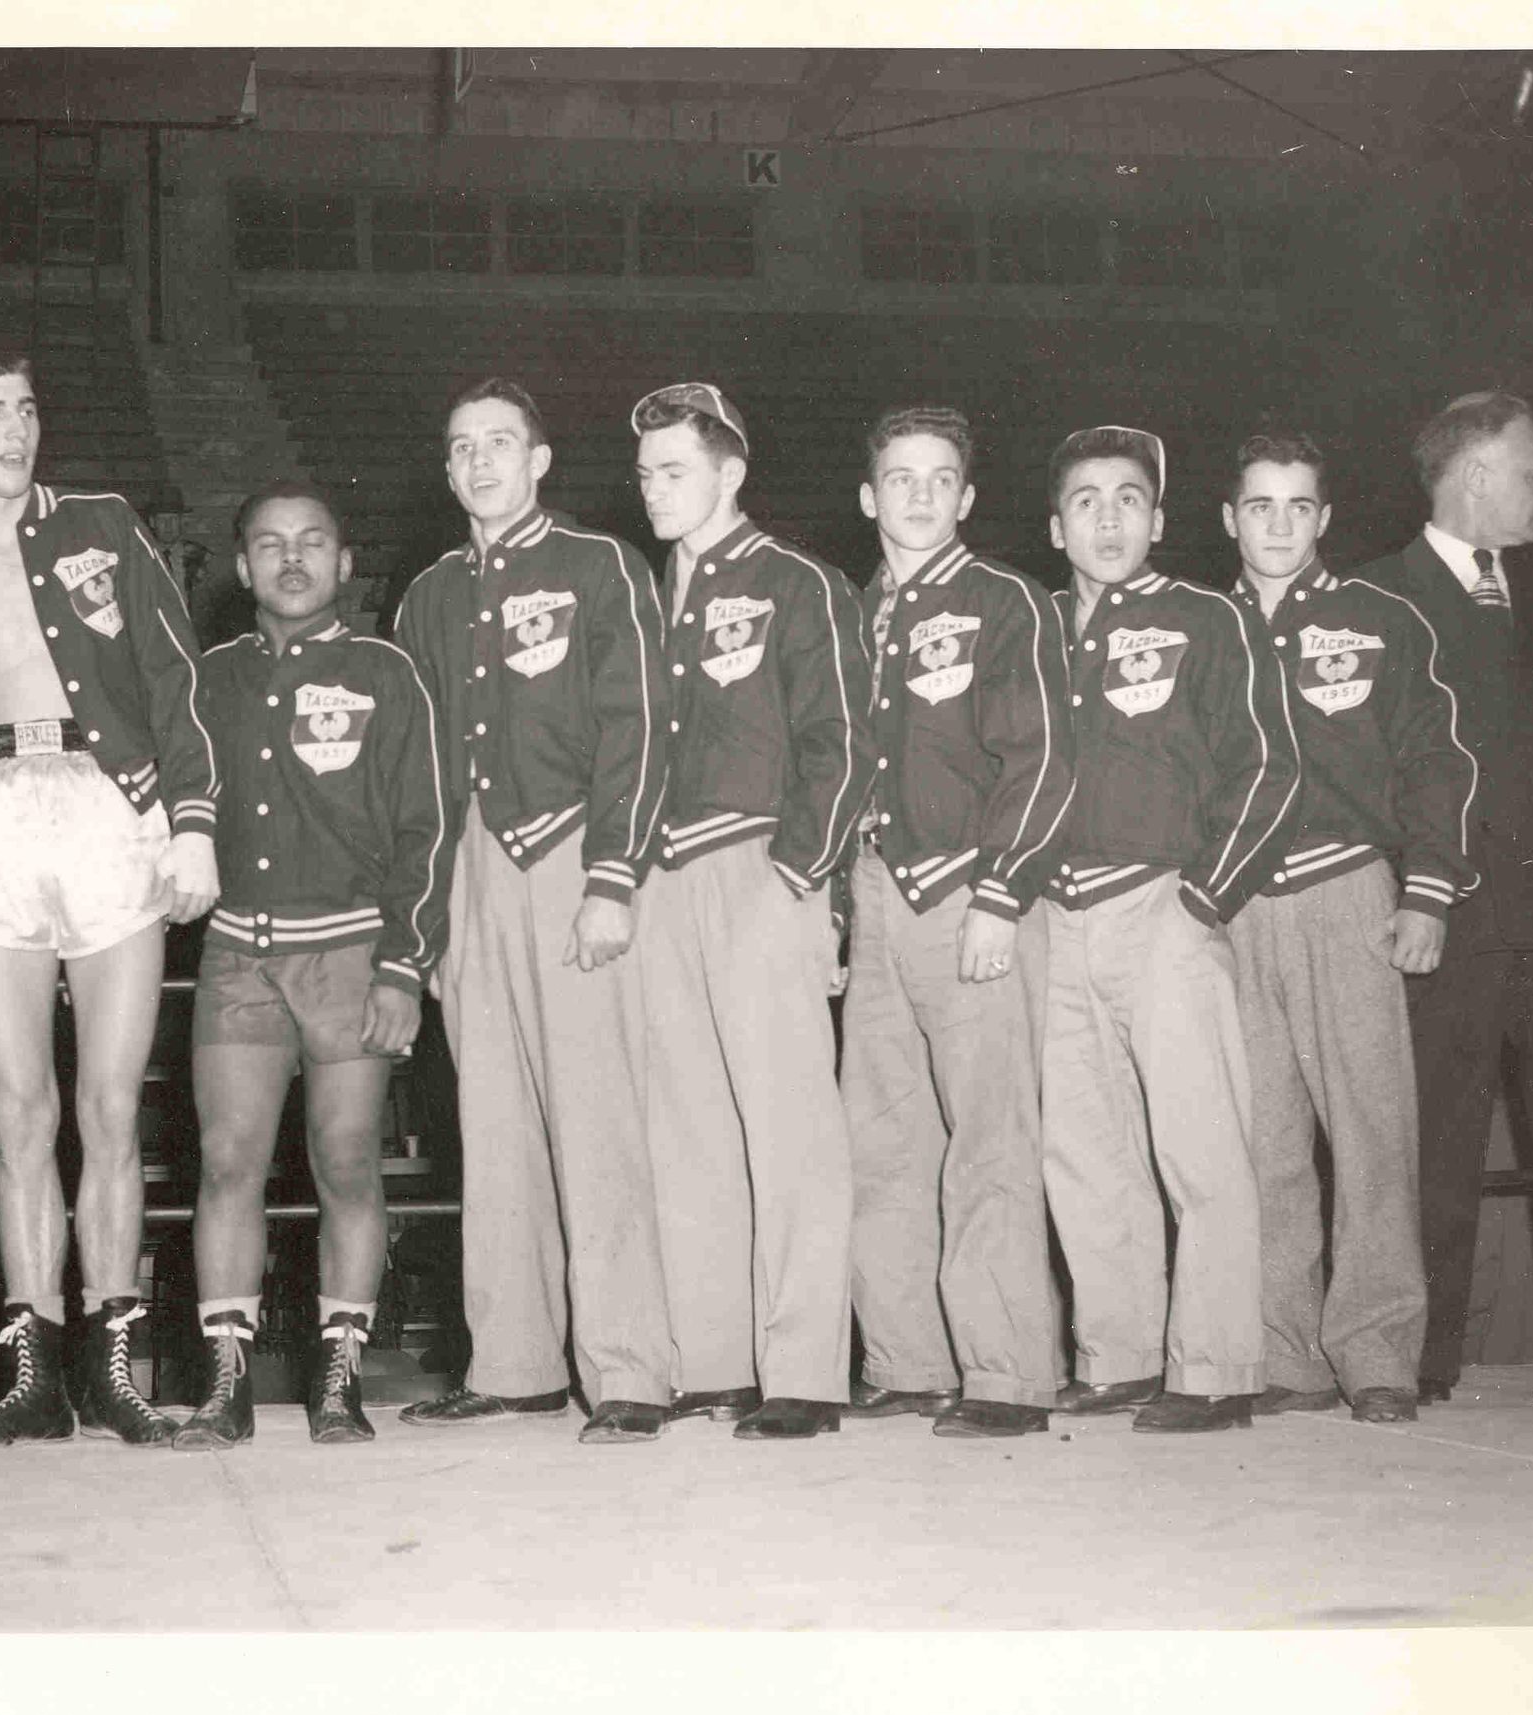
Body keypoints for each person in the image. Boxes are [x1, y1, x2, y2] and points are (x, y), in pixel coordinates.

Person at [0, 342, 220, 1450]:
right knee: (18, 1110)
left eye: (25, 408)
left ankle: (111, 1369)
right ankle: (32, 1376)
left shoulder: (103, 525)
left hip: (108, 805)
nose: (14, 430)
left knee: (111, 1106)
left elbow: (173, 675)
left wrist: (194, 823)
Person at [390, 379, 673, 1439]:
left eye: (500, 443)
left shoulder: (598, 564)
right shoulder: (426, 596)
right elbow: (414, 778)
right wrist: (426, 922)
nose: (480, 463)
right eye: (462, 447)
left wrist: (613, 875)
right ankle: (514, 1363)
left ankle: (630, 1369)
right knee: (491, 1123)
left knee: (596, 1122)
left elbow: (637, 725)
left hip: (568, 852)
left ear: (540, 459)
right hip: (471, 867)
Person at [175, 484, 451, 1449]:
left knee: (345, 1157)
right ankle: (226, 1382)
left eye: (312, 542)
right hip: (238, 952)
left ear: (344, 562)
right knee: (226, 1161)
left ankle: (340, 1377)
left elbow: (425, 830)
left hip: (348, 949)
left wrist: (403, 967)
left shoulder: (385, 672)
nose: (291, 559)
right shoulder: (207, 678)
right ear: (241, 566)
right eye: (269, 543)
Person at [1038, 425, 1301, 1433]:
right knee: (1083, 1148)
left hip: (1161, 905)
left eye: (1128, 499)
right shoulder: (1034, 624)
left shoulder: (1203, 617)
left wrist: (1204, 896)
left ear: (1158, 519)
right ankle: (1120, 1356)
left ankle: (1219, 1366)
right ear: (1056, 526)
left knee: (1200, 1144)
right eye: (1086, 501)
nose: (1108, 519)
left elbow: (1269, 766)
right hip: (1056, 913)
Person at [1217, 431, 1477, 1425]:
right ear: (1229, 518)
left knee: (1371, 1130)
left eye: (1298, 506)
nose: (1279, 524)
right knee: (1261, 1139)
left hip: (1347, 892)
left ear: (1323, 517)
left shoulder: (1378, 619)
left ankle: (1376, 1353)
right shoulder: (1201, 628)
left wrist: (1428, 891)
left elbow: (1434, 759)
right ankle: (1287, 1353)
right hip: (1234, 903)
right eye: (1259, 505)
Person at [1357, 394, 1533, 1404]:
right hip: (1441, 923)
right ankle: (1421, 1360)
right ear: (1473, 476)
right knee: (1434, 1153)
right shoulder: (1373, 597)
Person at [629, 382, 866, 1442]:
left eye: (675, 470)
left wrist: (800, 875)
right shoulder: (646, 596)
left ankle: (805, 1371)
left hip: (761, 865)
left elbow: (843, 741)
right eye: (645, 473)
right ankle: (715, 1359)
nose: (654, 489)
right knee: (687, 1128)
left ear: (731, 473)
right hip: (663, 876)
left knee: (790, 1129)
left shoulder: (795, 581)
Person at [838, 406, 1075, 1440]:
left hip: (968, 892)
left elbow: (1044, 756)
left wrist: (1001, 892)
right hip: (875, 891)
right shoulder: (850, 613)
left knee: (989, 1138)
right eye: (901, 477)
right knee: (882, 1138)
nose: (920, 495)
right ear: (869, 497)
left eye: (941, 478)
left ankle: (1008, 1374)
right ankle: (908, 1361)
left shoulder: (1004, 601)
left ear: (968, 497)